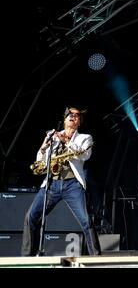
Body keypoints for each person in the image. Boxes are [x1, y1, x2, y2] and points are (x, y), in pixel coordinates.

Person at [22, 107, 100, 256]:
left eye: (77, 115)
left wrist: (67, 141)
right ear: (64, 120)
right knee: (31, 217)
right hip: (52, 184)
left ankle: (96, 258)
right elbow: (41, 162)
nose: (73, 116)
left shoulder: (85, 138)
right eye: (70, 114)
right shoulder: (53, 136)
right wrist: (43, 148)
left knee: (85, 220)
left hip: (73, 185)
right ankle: (27, 257)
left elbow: (84, 155)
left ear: (79, 122)